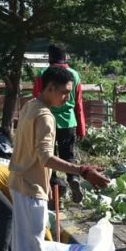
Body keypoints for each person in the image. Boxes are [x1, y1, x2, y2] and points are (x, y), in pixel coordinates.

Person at [9, 65, 109, 251]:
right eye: (64, 93)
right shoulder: (45, 116)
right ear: (50, 87)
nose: (67, 99)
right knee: (33, 248)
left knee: (23, 246)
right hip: (32, 187)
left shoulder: (30, 105)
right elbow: (46, 157)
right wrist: (83, 170)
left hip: (19, 182)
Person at [32, 44, 86, 203]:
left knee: (48, 156)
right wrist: (82, 127)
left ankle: (55, 184)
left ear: (49, 57)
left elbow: (37, 99)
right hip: (68, 121)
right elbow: (79, 103)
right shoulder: (74, 75)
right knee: (68, 154)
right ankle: (73, 178)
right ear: (66, 57)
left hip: (46, 120)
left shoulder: (43, 74)